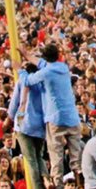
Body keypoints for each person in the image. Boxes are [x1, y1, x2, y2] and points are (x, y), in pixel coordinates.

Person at [26, 43, 84, 182]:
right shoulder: (63, 68)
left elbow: (29, 80)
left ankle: (57, 183)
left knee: (56, 155)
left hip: (55, 118)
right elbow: (42, 63)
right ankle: (80, 178)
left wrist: (20, 70)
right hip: (72, 117)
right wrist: (27, 54)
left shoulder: (45, 72)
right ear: (58, 56)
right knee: (76, 156)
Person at [9, 57, 50, 189]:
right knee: (39, 156)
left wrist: (9, 118)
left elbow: (15, 103)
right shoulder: (44, 83)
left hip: (24, 125)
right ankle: (47, 180)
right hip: (40, 126)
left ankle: (37, 186)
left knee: (31, 159)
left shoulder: (22, 81)